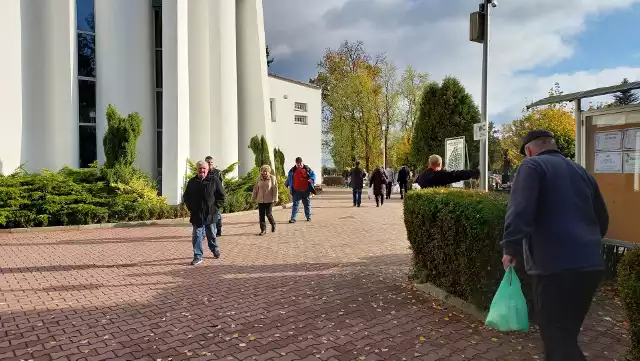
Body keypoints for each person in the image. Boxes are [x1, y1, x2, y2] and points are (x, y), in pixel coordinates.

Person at [500, 130, 608, 361]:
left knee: (557, 340)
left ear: (528, 150)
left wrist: (510, 249)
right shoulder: (581, 172)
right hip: (589, 266)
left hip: (552, 267)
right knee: (565, 337)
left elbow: (519, 212)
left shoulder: (532, 167)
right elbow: (602, 218)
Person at [182, 160, 225, 266]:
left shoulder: (214, 180)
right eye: (199, 168)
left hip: (210, 214)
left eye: (204, 168)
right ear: (197, 170)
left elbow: (222, 196)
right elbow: (186, 196)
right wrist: (191, 208)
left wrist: (215, 208)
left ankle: (215, 249)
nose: (202, 170)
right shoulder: (192, 181)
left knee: (211, 234)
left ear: (207, 169)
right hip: (197, 214)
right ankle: (198, 256)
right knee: (196, 235)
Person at [285, 157, 316, 223]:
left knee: (307, 204)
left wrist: (312, 179)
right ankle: (293, 218)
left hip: (305, 191)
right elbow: (289, 178)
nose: (299, 165)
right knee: (295, 205)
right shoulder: (292, 170)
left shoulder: (307, 169)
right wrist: (286, 184)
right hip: (296, 191)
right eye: (298, 164)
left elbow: (313, 175)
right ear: (296, 164)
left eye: (300, 163)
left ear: (302, 162)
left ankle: (308, 217)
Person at [252, 165, 278, 235]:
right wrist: (253, 198)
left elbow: (275, 189)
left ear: (269, 171)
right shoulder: (258, 178)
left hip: (269, 199)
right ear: (261, 171)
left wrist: (275, 198)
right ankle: (263, 230)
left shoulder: (272, 178)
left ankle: (273, 223)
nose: (265, 173)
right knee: (261, 215)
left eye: (266, 171)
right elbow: (255, 189)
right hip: (260, 200)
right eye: (263, 171)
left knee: (268, 214)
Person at [205, 156, 223, 237]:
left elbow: (221, 186)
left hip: (215, 197)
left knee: (217, 215)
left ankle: (218, 230)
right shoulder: (204, 172)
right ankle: (207, 232)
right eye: (208, 162)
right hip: (207, 198)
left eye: (211, 162)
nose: (210, 164)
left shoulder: (218, 172)